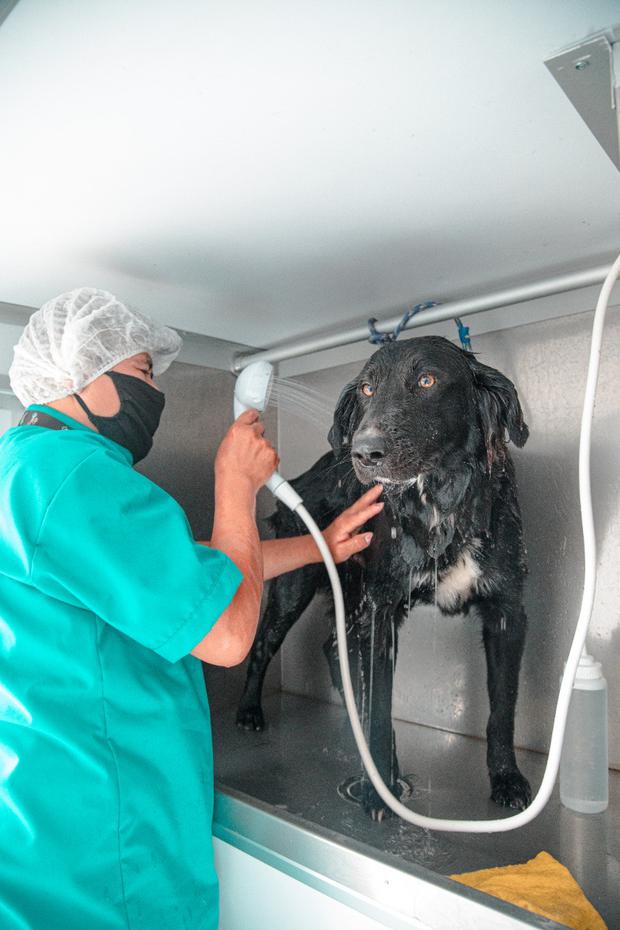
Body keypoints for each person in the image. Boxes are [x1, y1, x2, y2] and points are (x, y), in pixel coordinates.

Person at [0, 287, 383, 930]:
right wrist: (235, 483)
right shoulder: (79, 474)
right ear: (78, 374)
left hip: (46, 816)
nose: (156, 395)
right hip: (107, 839)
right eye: (143, 371)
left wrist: (320, 548)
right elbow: (228, 633)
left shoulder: (26, 467)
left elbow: (173, 567)